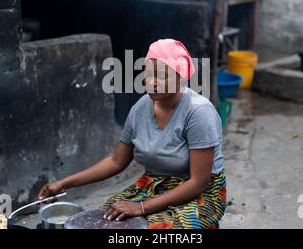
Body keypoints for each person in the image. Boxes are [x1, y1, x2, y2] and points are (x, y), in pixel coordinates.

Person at [38, 39, 227, 229]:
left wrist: (141, 207)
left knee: (153, 228)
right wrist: (64, 183)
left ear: (181, 77)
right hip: (154, 185)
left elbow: (198, 182)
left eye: (161, 76)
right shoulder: (141, 107)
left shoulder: (199, 112)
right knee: (104, 219)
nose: (151, 82)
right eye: (148, 73)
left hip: (200, 194)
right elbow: (116, 161)